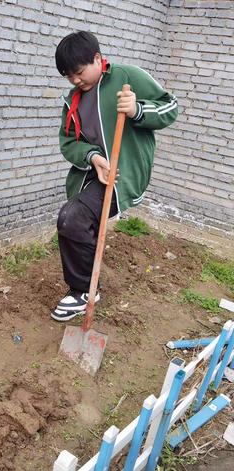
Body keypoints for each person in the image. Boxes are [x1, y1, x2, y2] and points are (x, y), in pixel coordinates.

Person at [51, 31, 178, 321]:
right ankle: (87, 284)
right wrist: (93, 158)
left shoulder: (127, 77)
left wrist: (137, 110)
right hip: (93, 174)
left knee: (75, 218)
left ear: (97, 59)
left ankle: (83, 291)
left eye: (79, 73)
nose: (75, 81)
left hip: (124, 175)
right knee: (74, 220)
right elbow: (68, 142)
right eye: (69, 76)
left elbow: (171, 107)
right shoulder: (72, 99)